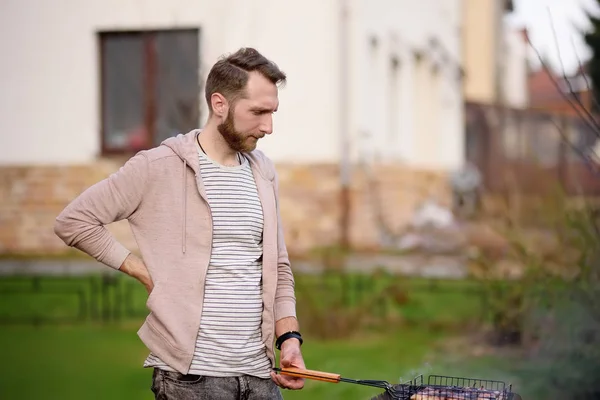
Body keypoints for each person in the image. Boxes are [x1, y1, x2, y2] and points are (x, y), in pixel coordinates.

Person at [54, 47, 306, 399]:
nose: (268, 126)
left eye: (272, 112)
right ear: (220, 104)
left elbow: (278, 266)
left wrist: (289, 338)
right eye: (258, 112)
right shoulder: (157, 166)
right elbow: (75, 221)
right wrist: (142, 271)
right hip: (191, 380)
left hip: (260, 375)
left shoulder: (262, 170)